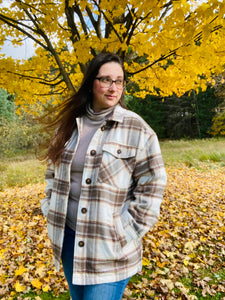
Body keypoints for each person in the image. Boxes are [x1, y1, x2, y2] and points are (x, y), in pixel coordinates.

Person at [41, 52, 167, 300]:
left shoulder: (137, 128)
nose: (114, 88)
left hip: (110, 247)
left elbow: (153, 185)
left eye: (119, 81)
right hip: (69, 238)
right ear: (91, 82)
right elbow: (52, 175)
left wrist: (126, 231)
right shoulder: (68, 125)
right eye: (106, 80)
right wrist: (49, 206)